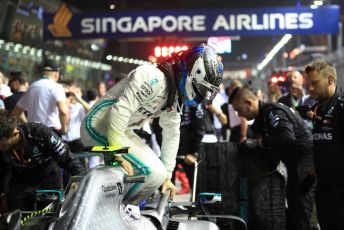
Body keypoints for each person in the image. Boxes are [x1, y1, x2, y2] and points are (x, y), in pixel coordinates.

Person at [80, 44, 223, 204]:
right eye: (201, 89)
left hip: (120, 131)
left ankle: (122, 208)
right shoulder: (151, 77)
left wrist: (168, 176)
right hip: (96, 126)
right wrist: (115, 151)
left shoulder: (174, 95)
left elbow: (172, 134)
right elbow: (120, 110)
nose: (200, 96)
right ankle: (118, 209)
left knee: (159, 174)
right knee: (152, 172)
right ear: (193, 74)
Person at [229, 87, 315, 230]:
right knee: (294, 210)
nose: (239, 115)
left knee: (300, 212)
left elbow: (286, 137)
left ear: (248, 103)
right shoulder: (261, 119)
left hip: (306, 166)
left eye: (239, 110)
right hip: (294, 165)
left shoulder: (272, 111)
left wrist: (261, 143)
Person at [0, 110, 85, 212]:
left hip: (48, 180)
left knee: (50, 221)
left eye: (2, 140)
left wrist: (82, 185)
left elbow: (69, 160)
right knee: (17, 222)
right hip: (21, 183)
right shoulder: (3, 147)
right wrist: (3, 194)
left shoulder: (39, 133)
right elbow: (3, 171)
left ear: (15, 133)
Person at [305, 60, 344, 230]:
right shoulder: (317, 110)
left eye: (314, 83)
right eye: (309, 84)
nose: (310, 89)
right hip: (324, 190)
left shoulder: (341, 108)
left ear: (330, 80)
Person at [12, 59, 68, 135]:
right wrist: (64, 130)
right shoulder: (57, 87)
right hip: (51, 133)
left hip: (33, 133)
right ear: (56, 74)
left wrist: (27, 124)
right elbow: (63, 111)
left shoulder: (33, 86)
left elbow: (16, 111)